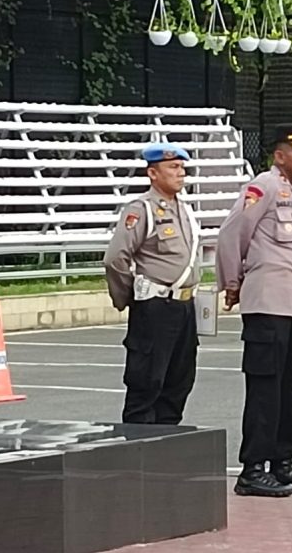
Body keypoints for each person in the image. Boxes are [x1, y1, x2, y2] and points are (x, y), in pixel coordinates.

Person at [215, 123, 292, 498]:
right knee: (265, 387)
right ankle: (252, 469)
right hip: (267, 305)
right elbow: (232, 233)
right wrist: (231, 283)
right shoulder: (263, 186)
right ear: (281, 156)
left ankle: (282, 461)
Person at [104, 142, 201, 425]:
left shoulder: (184, 209)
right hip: (156, 305)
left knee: (179, 382)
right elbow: (115, 259)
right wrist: (128, 297)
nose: (180, 173)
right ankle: (137, 453)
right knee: (147, 382)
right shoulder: (142, 209)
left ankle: (166, 449)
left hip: (185, 305)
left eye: (182, 167)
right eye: (173, 167)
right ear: (153, 174)